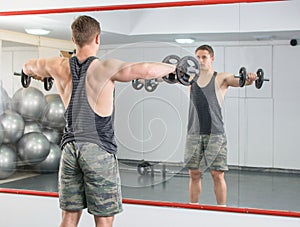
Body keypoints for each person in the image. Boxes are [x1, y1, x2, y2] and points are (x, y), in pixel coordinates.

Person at [22, 15, 176, 227]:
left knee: (69, 216)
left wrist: (36, 73)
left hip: (69, 149)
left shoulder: (57, 66)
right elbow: (146, 69)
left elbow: (29, 66)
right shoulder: (105, 68)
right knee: (103, 217)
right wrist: (175, 69)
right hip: (98, 150)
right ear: (97, 38)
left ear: (73, 39)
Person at [184, 44, 257, 206]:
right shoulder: (189, 78)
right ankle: (192, 208)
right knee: (194, 174)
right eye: (197, 57)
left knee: (217, 174)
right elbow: (167, 76)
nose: (200, 60)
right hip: (193, 133)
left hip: (215, 134)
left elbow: (239, 81)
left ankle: (222, 210)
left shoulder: (221, 77)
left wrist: (250, 79)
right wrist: (148, 76)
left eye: (204, 57)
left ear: (212, 58)